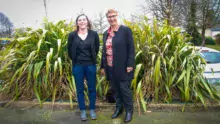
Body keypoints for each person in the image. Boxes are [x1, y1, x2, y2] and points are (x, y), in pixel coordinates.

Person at [100, 9, 135, 123]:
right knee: (115, 90)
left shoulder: (125, 30)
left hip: (123, 67)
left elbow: (131, 48)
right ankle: (119, 109)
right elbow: (104, 51)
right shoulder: (106, 33)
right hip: (110, 67)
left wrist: (130, 64)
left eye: (113, 16)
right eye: (109, 17)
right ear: (107, 18)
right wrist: (102, 67)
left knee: (125, 89)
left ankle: (129, 111)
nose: (111, 18)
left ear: (117, 16)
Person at [67, 14, 100, 121]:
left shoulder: (94, 34)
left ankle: (92, 109)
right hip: (78, 66)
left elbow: (96, 48)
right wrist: (77, 61)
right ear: (77, 23)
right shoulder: (72, 35)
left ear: (87, 22)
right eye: (79, 20)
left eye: (84, 20)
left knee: (92, 88)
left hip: (90, 65)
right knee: (80, 89)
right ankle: (82, 110)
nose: (82, 22)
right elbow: (69, 51)